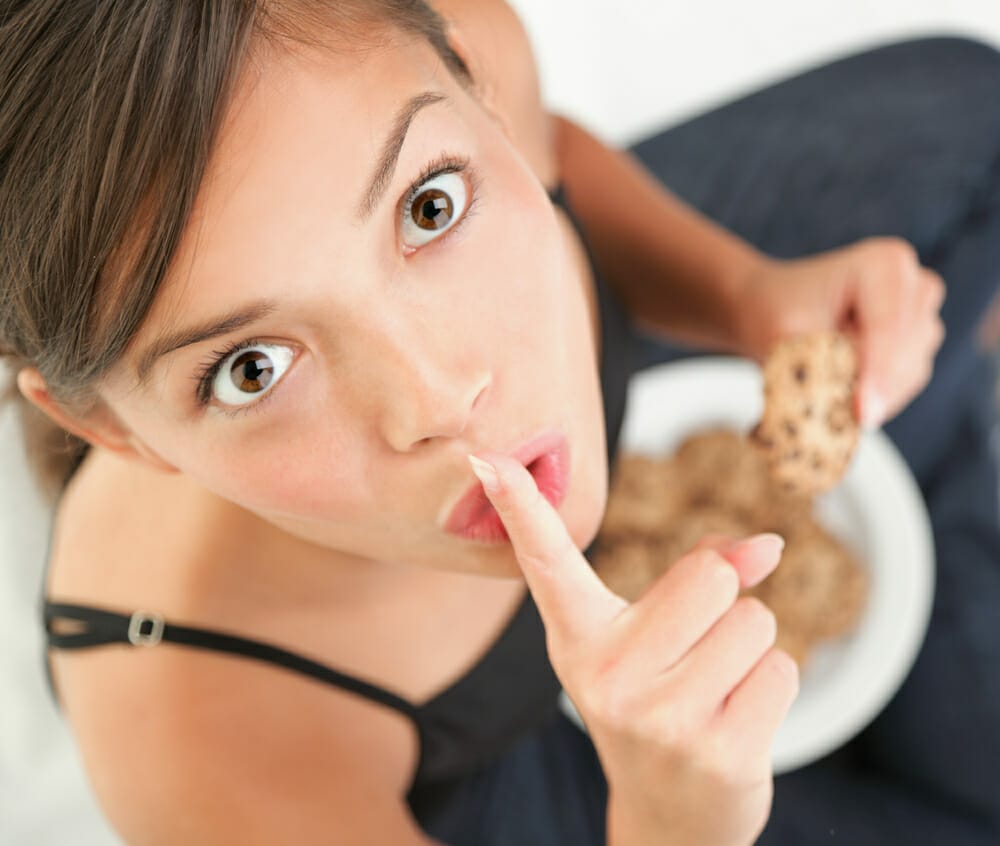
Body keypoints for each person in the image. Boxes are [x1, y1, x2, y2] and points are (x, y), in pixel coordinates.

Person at [1, 1, 997, 843]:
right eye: (251, 369)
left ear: (476, 92)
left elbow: (557, 157)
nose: (443, 398)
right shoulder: (204, 745)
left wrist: (743, 296)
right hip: (509, 771)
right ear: (112, 433)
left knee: (969, 108)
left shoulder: (476, 38)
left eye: (427, 207)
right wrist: (664, 816)